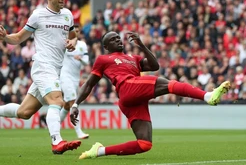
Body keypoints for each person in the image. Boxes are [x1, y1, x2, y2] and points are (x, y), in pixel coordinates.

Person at [70, 31, 231, 159]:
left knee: (144, 144)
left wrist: (142, 45)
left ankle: (99, 151)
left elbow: (154, 65)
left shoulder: (133, 58)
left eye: (119, 38)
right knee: (168, 84)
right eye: (113, 39)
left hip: (130, 99)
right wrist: (76, 104)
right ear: (106, 46)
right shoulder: (103, 59)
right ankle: (207, 96)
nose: (118, 40)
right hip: (127, 87)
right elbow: (89, 83)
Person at [0, 0, 81, 154]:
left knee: (24, 112)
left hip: (55, 70)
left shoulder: (68, 15)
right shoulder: (38, 15)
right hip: (43, 66)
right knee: (57, 100)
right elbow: (19, 38)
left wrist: (72, 42)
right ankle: (56, 142)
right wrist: (5, 37)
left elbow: (74, 35)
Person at [60, 25, 89, 139]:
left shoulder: (82, 45)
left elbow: (86, 63)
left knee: (67, 105)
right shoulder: (64, 44)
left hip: (76, 78)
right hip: (64, 75)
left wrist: (80, 59)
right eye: (74, 31)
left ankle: (54, 125)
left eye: (77, 31)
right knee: (73, 101)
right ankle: (79, 131)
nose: (75, 33)